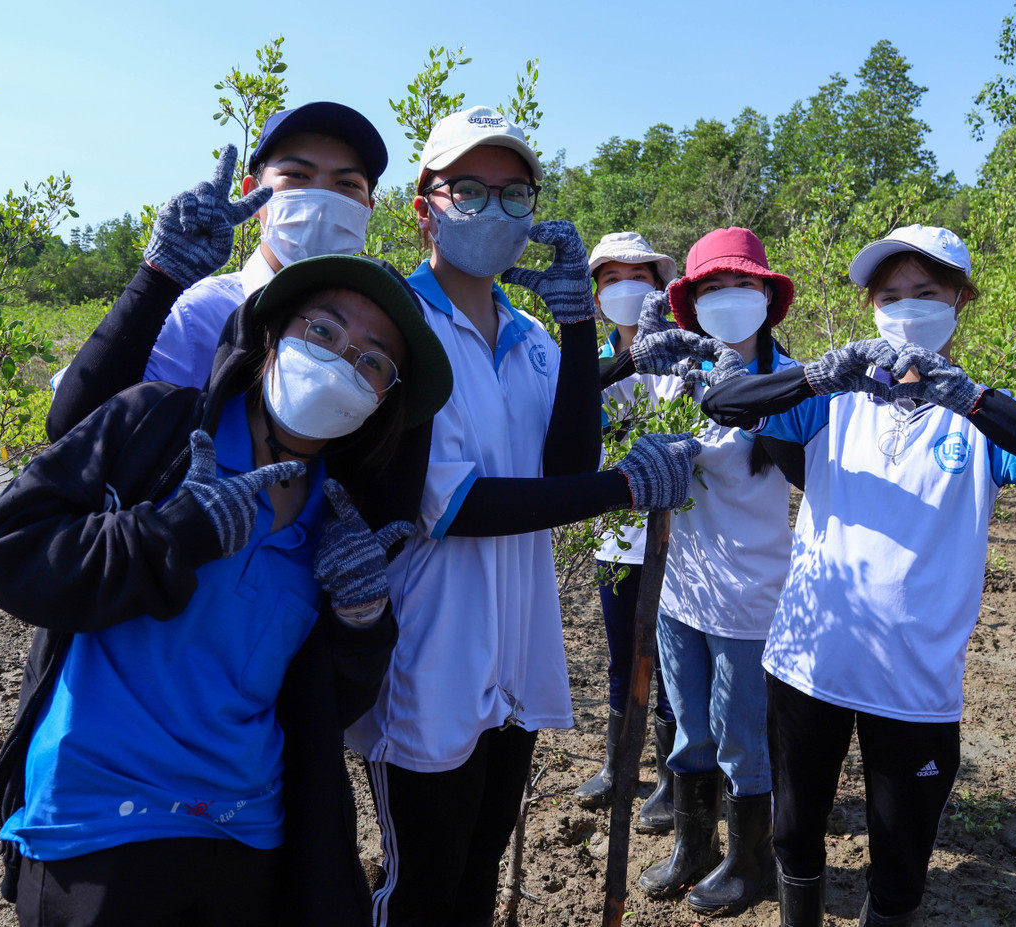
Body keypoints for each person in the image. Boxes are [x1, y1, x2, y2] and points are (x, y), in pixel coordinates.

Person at [0, 243, 457, 927]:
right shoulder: (155, 427)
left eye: (372, 361)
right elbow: (1, 550)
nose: (342, 360)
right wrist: (172, 534)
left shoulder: (339, 522)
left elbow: (327, 703)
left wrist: (362, 617)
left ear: (382, 402)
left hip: (246, 834)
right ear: (272, 335)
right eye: (323, 330)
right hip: (98, 822)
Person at [681, 224, 1016, 926]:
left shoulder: (982, 422)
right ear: (871, 309)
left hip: (914, 686)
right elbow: (725, 404)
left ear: (960, 301)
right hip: (808, 665)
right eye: (889, 296)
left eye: (926, 292)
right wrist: (824, 373)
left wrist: (971, 399)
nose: (906, 308)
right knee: (794, 833)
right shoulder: (831, 404)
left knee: (901, 860)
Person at [342, 107, 704, 927]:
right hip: (429, 654)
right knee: (421, 885)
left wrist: (578, 325)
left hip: (515, 651)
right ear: (425, 208)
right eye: (469, 189)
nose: (493, 209)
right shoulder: (398, 328)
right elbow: (453, 504)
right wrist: (625, 487)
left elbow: (564, 467)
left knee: (478, 865)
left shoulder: (532, 337)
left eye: (514, 194)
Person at [620, 227, 802, 915]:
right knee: (691, 729)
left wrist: (752, 409)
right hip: (679, 589)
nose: (728, 297)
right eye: (712, 287)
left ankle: (750, 862)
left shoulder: (792, 382)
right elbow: (614, 417)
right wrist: (635, 348)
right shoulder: (676, 375)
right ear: (690, 304)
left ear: (767, 297)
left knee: (741, 739)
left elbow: (814, 473)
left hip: (750, 595)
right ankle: (693, 846)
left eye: (742, 284)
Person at [47, 100, 389, 441]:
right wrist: (156, 279)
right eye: (297, 175)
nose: (321, 199)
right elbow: (75, 428)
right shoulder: (198, 316)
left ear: (368, 209)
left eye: (347, 184)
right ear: (251, 194)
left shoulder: (379, 331)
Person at [575, 231, 680, 835]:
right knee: (622, 655)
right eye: (611, 279)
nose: (625, 289)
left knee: (670, 661)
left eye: (638, 276)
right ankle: (619, 765)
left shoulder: (683, 354)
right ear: (596, 298)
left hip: (679, 537)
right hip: (615, 534)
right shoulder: (584, 363)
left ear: (660, 288)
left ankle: (670, 778)